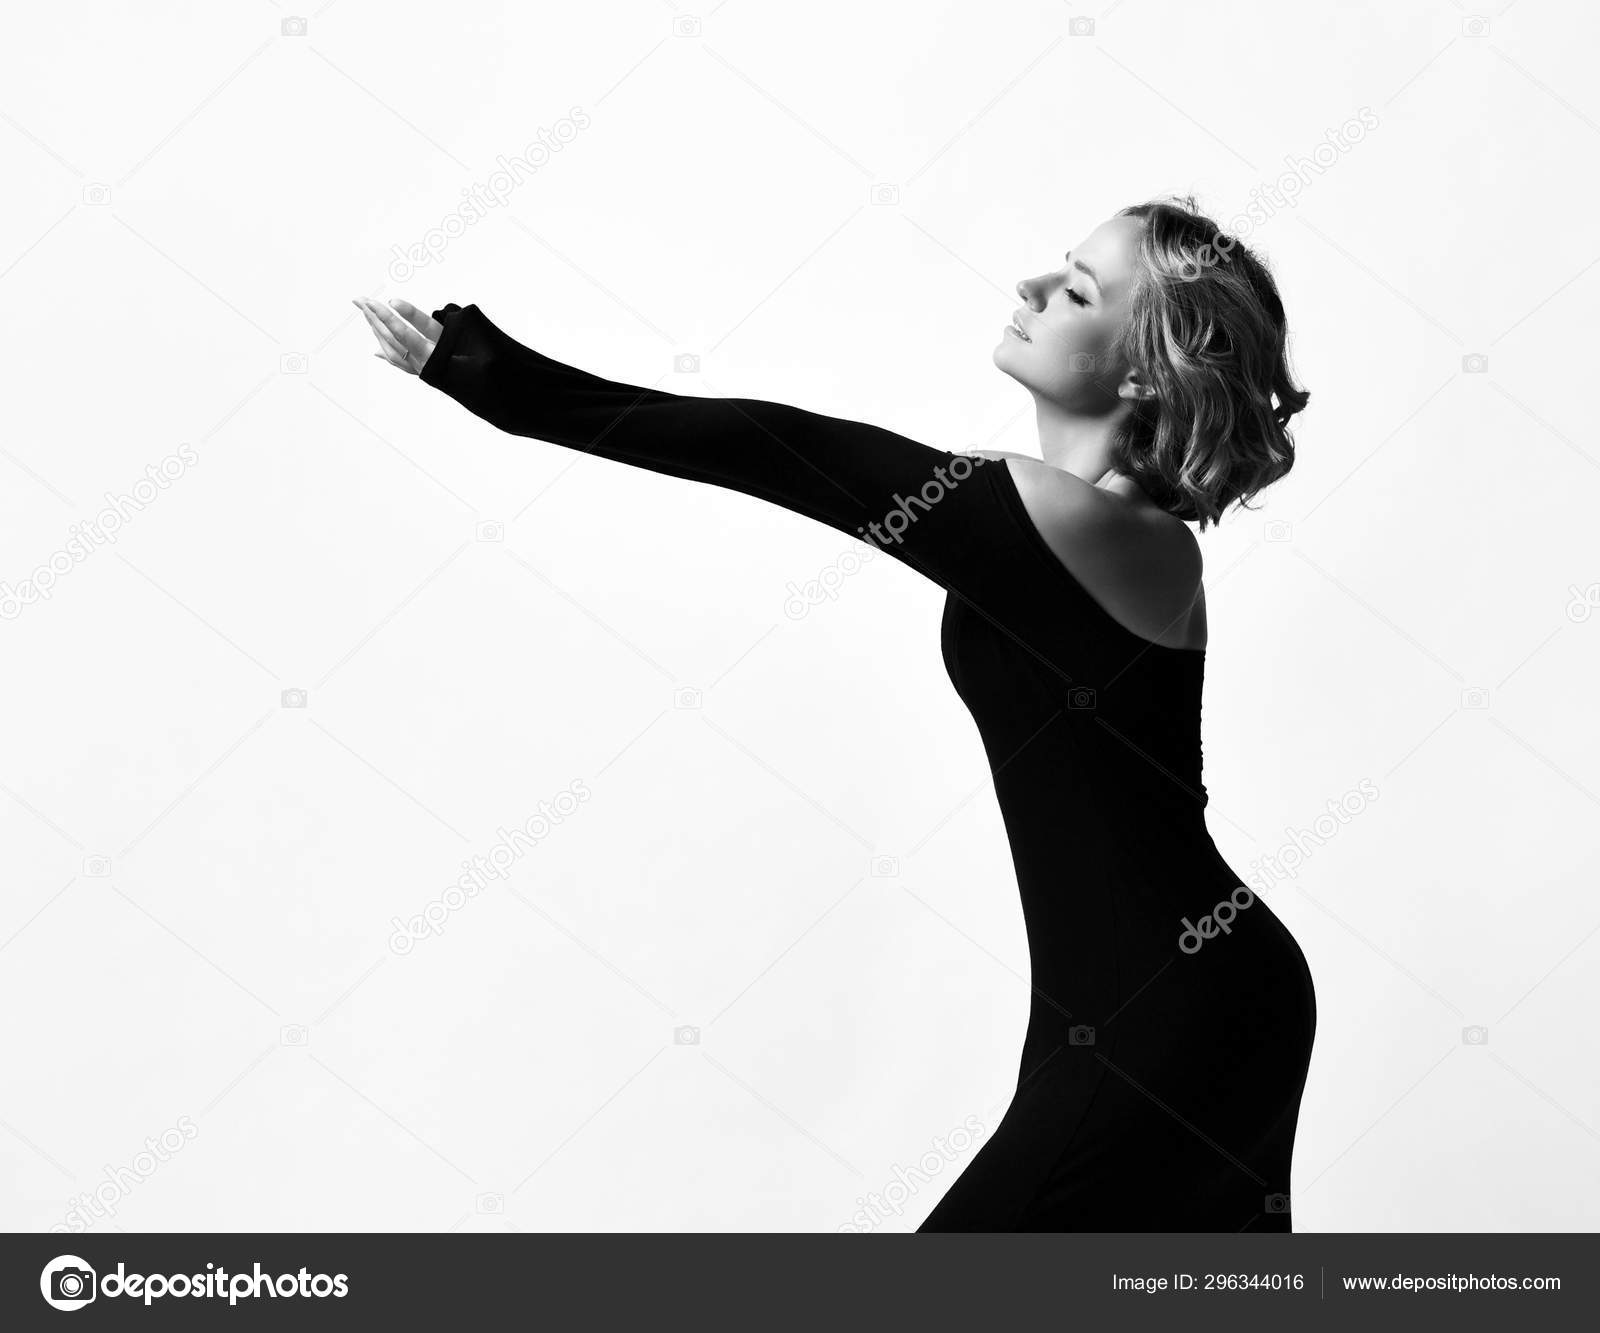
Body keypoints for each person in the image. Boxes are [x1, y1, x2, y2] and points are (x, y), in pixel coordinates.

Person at [355, 193, 1316, 1232]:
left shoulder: (1092, 523)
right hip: (1150, 1008)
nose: (1033, 289)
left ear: (1139, 371)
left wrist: (511, 389)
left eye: (1078, 290)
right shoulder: (1096, 525)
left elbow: (786, 450)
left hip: (1169, 1020)